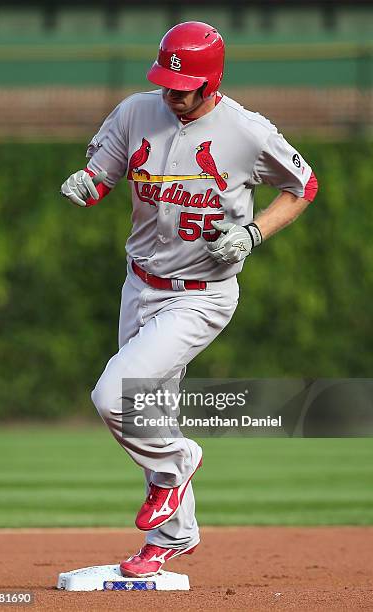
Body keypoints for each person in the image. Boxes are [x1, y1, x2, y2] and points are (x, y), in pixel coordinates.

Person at [60, 21, 318, 578]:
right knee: (154, 411)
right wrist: (87, 184)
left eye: (184, 87)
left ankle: (180, 462)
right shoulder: (136, 112)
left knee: (116, 398)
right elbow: (103, 172)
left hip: (201, 296)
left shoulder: (247, 132)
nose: (172, 93)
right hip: (140, 286)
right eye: (167, 83)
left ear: (211, 82)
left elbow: (304, 186)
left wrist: (253, 233)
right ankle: (173, 537)